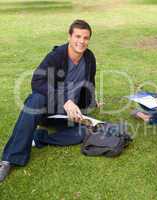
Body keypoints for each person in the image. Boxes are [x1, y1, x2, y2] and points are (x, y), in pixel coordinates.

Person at [0, 19, 100, 182]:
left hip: (69, 114)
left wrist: (91, 102)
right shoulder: (56, 56)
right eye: (78, 36)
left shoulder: (89, 58)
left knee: (85, 132)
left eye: (85, 38)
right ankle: (8, 159)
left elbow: (90, 83)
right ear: (69, 36)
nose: (81, 41)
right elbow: (37, 82)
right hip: (49, 108)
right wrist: (65, 101)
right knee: (35, 100)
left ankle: (39, 138)